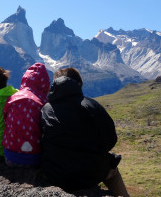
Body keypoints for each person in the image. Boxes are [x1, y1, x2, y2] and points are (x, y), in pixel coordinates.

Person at [40, 67, 129, 197]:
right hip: (90, 173)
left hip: (54, 173)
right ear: (79, 84)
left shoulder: (45, 109)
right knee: (113, 173)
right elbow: (111, 140)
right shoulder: (92, 106)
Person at [2, 62, 50, 167]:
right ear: (45, 83)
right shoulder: (45, 101)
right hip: (35, 159)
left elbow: (5, 119)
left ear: (24, 79)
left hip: (10, 156)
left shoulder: (13, 97)